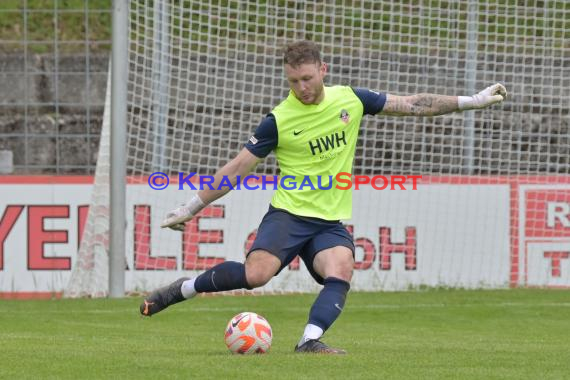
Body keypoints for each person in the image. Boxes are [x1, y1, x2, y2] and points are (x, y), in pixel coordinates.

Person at [140, 40, 507, 354]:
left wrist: (471, 101)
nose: (301, 88)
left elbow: (413, 104)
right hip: (288, 214)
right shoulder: (279, 120)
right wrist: (192, 206)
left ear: (322, 70)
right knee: (256, 275)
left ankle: (309, 341)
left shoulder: (351, 99)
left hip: (327, 221)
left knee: (341, 268)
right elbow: (237, 169)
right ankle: (181, 290)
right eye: (294, 81)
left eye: (307, 78)